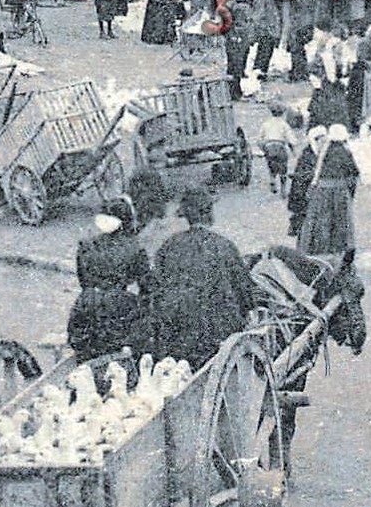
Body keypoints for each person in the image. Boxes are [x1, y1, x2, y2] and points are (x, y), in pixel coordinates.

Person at [150, 188, 255, 369]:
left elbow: (154, 289)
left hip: (175, 336)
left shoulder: (167, 246)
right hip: (215, 336)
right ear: (208, 213)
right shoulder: (224, 246)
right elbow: (245, 293)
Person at [67, 198, 152, 361]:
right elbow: (146, 289)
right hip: (116, 308)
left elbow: (83, 281)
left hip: (85, 306)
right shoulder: (135, 249)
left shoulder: (86, 246)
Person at [299, 123, 360, 257]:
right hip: (339, 190)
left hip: (322, 190)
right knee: (340, 220)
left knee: (322, 220)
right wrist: (351, 193)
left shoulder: (324, 151)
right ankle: (339, 248)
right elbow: (353, 173)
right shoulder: (345, 151)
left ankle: (319, 247)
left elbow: (318, 172)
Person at [286, 126, 326, 238]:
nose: (323, 143)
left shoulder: (324, 154)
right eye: (321, 140)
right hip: (305, 189)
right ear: (315, 140)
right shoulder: (307, 154)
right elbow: (303, 174)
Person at [126, 146, 174, 230]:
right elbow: (162, 190)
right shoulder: (155, 174)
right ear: (158, 163)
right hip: (152, 203)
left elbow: (132, 189)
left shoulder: (139, 170)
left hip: (139, 203)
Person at [259, 103, 295, 196]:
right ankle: (283, 190)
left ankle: (272, 180)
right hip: (280, 146)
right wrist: (293, 151)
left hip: (269, 146)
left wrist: (264, 149)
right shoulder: (284, 124)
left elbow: (259, 139)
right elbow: (291, 140)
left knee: (271, 166)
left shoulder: (266, 124)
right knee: (283, 168)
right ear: (282, 113)